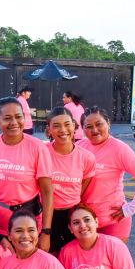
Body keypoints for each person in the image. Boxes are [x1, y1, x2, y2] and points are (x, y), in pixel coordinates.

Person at [0, 97, 54, 251]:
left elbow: (47, 191)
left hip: (27, 224)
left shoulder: (37, 147)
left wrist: (46, 232)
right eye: (7, 118)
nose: (14, 122)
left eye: (18, 117)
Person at [78, 106, 135, 243]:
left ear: (108, 123)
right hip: (84, 222)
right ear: (82, 129)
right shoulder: (79, 147)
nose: (94, 130)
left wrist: (129, 209)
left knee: (112, 263)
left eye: (99, 124)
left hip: (112, 221)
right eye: (88, 126)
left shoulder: (118, 148)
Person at [44, 107, 96, 252]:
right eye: (56, 125)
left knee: (72, 256)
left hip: (71, 215)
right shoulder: (41, 152)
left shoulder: (87, 157)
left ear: (74, 125)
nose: (63, 129)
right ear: (48, 129)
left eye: (67, 124)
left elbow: (82, 188)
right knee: (49, 257)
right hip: (45, 215)